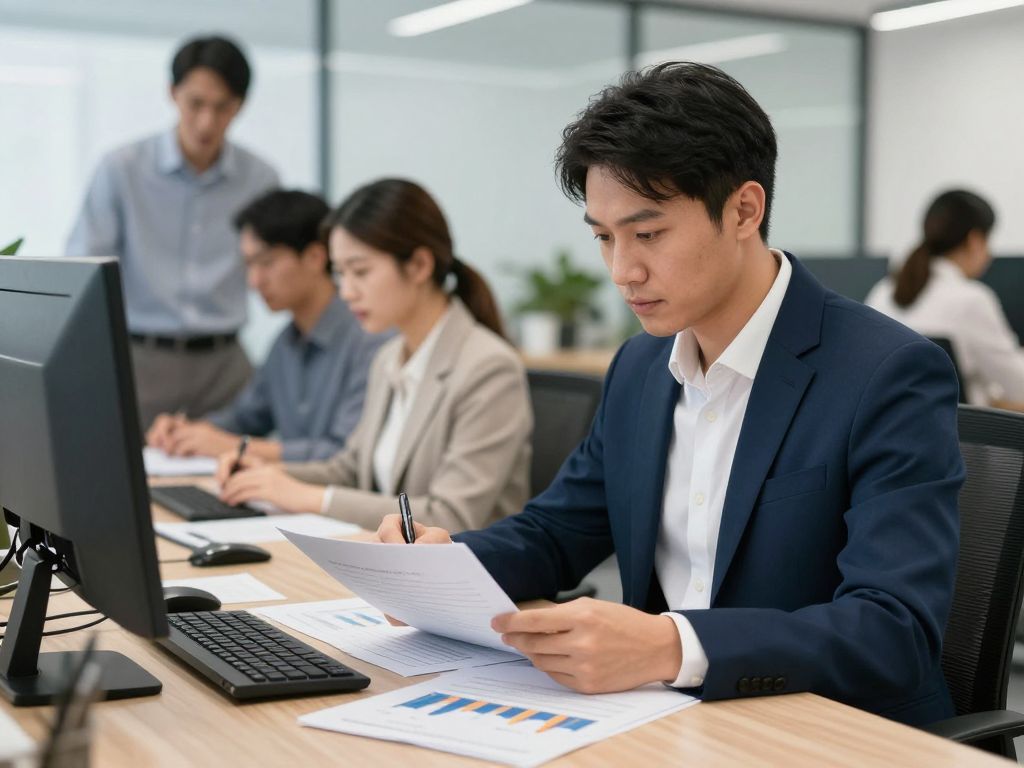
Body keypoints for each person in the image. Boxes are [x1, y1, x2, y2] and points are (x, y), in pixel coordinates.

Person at [376, 63, 964, 727]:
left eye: (648, 233)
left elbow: (893, 631)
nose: (622, 271)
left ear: (744, 209)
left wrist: (671, 645)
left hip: (825, 731)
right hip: (666, 724)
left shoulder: (885, 372)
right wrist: (442, 567)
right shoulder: (640, 366)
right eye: (604, 237)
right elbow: (557, 530)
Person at [215, 178, 532, 532]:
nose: (346, 291)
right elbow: (350, 469)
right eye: (340, 273)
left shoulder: (488, 368)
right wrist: (267, 475)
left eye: (360, 272)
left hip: (467, 577)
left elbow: (450, 517)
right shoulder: (388, 358)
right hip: (392, 565)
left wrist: (308, 497)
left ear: (418, 266)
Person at [66, 35, 279, 430]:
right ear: (172, 93)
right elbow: (83, 273)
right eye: (195, 103)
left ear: (240, 106)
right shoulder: (121, 169)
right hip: (141, 359)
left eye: (223, 108)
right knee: (126, 479)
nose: (206, 122)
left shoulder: (260, 179)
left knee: (234, 481)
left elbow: (277, 269)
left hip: (226, 366)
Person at [146, 189, 387, 462]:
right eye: (249, 265)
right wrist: (186, 432)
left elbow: (343, 454)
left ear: (315, 258)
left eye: (266, 263)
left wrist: (235, 447)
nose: (254, 281)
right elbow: (244, 417)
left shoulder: (371, 339)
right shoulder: (285, 343)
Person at [865, 189, 1024, 410]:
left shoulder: (883, 292)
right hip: (958, 439)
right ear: (975, 240)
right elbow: (1018, 387)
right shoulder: (971, 300)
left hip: (890, 433)